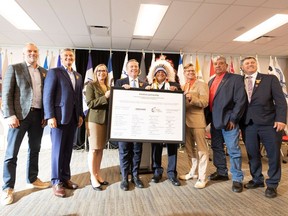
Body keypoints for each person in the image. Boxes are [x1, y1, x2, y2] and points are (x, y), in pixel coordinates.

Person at [1, 43, 50, 206]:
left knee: (35, 149)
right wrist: (9, 115)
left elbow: (46, 96)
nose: (32, 53)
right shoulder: (14, 68)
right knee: (11, 153)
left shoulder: (44, 72)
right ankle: (8, 188)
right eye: (29, 51)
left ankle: (33, 178)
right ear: (24, 54)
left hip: (38, 116)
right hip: (19, 117)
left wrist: (45, 115)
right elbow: (6, 93)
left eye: (35, 51)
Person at [240, 56, 287, 198]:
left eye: (252, 62)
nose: (250, 65)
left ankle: (272, 184)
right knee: (252, 153)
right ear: (242, 67)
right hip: (248, 124)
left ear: (256, 65)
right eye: (247, 63)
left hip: (270, 124)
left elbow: (280, 101)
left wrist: (281, 119)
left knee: (272, 155)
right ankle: (257, 179)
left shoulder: (270, 79)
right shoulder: (238, 81)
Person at [43, 48, 83, 197]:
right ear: (61, 57)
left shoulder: (78, 76)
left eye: (70, 55)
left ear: (73, 58)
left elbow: (78, 97)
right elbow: (48, 95)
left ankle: (65, 178)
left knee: (67, 150)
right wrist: (50, 116)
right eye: (65, 55)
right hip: (58, 118)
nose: (68, 58)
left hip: (72, 118)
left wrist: (80, 115)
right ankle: (56, 181)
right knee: (57, 150)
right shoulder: (54, 72)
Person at [206, 56, 247, 193]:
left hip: (229, 122)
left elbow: (240, 101)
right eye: (215, 64)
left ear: (226, 65)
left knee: (233, 150)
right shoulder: (211, 81)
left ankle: (237, 179)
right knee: (217, 147)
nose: (218, 66)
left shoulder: (235, 79)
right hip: (214, 121)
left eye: (221, 63)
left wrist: (233, 119)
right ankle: (222, 172)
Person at [146, 60, 181, 186]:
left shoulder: (174, 85)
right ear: (154, 75)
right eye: (158, 72)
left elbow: (180, 101)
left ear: (166, 75)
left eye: (163, 72)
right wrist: (146, 92)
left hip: (170, 121)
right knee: (156, 147)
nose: (160, 73)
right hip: (155, 122)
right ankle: (157, 172)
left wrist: (176, 91)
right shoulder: (148, 85)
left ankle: (172, 173)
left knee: (172, 147)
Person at [115, 59, 148, 191]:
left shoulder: (145, 84)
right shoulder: (119, 82)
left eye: (136, 66)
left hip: (138, 124)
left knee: (137, 151)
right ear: (127, 70)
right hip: (124, 124)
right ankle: (124, 178)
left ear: (139, 69)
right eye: (131, 67)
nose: (134, 68)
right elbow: (115, 100)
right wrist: (123, 91)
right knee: (124, 151)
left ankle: (135, 176)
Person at [178, 63, 209, 189]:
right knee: (189, 149)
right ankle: (192, 172)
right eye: (187, 71)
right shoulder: (183, 86)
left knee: (202, 150)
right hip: (184, 122)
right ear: (184, 73)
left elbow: (205, 102)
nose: (190, 73)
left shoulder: (202, 85)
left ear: (195, 72)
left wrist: (192, 99)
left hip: (197, 121)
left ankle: (203, 177)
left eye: (192, 71)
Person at [85, 64, 110, 191]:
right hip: (94, 121)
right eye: (99, 70)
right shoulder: (91, 85)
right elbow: (90, 104)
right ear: (95, 72)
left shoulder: (109, 87)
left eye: (104, 71)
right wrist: (105, 97)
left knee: (100, 149)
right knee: (94, 149)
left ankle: (97, 174)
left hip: (106, 121)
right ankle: (92, 177)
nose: (102, 73)